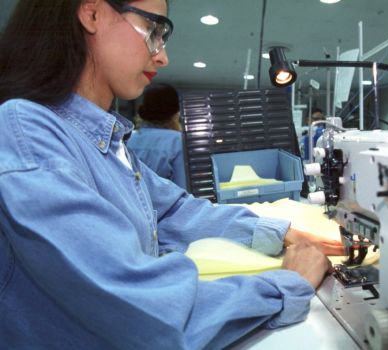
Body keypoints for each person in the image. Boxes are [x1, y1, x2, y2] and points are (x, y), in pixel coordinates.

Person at [0, 1, 344, 349]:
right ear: (92, 13)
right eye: (154, 31)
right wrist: (288, 282)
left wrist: (280, 233)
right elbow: (145, 312)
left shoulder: (105, 145)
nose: (162, 57)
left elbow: (173, 211)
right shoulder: (27, 132)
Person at [127, 83, 187, 189]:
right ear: (176, 113)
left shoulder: (128, 139)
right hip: (167, 204)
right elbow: (183, 188)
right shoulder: (178, 142)